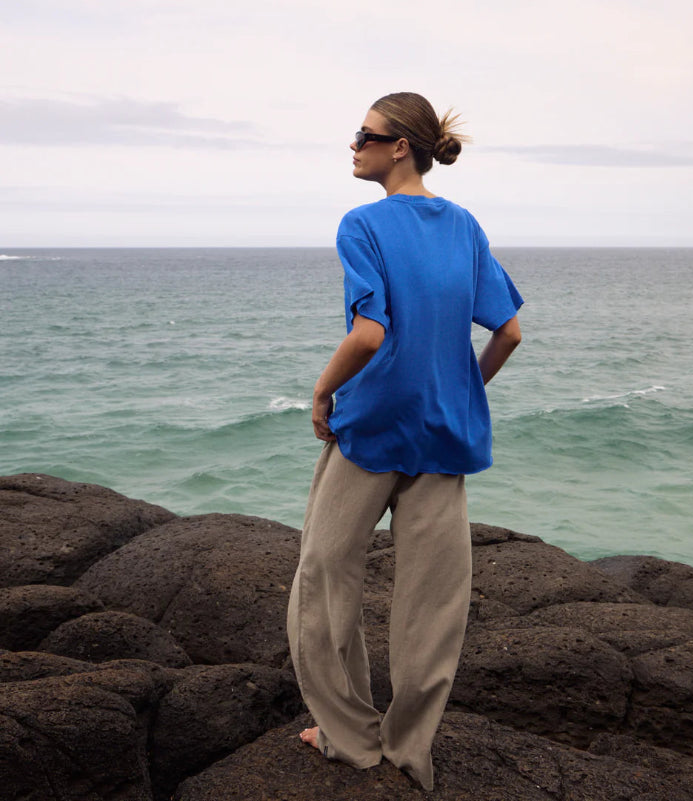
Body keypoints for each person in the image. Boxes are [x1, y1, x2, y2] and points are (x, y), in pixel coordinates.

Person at [286, 91, 523, 791]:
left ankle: (349, 737)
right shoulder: (464, 225)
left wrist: (323, 391)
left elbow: (368, 334)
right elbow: (507, 332)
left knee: (326, 579)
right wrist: (464, 386)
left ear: (399, 148)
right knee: (432, 604)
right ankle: (410, 749)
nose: (352, 143)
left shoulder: (361, 224)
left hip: (370, 429)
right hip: (445, 431)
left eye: (365, 133)